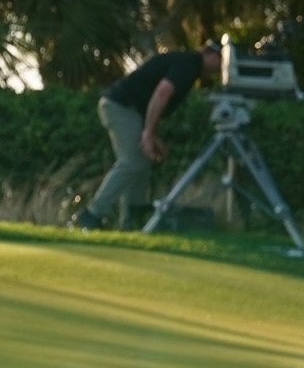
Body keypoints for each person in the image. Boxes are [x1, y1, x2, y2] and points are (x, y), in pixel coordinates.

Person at [81, 41, 224, 229]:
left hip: (130, 110)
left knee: (141, 162)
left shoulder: (188, 65)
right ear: (210, 54)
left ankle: (132, 220)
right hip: (121, 106)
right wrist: (148, 133)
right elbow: (162, 93)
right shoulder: (189, 64)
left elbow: (150, 98)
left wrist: (152, 134)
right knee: (132, 161)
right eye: (221, 60)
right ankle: (93, 213)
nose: (221, 67)